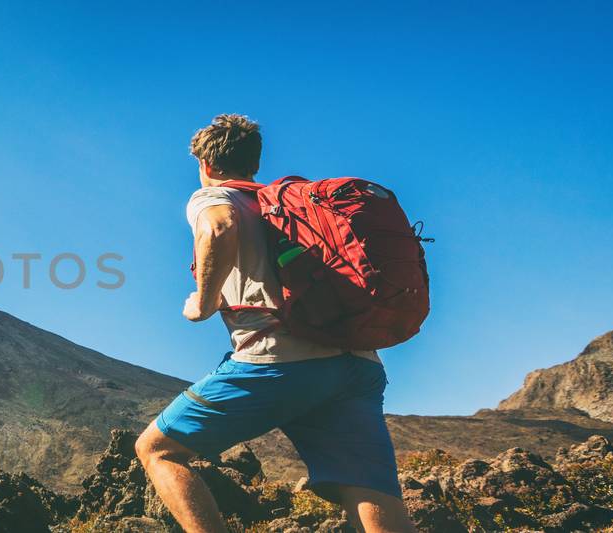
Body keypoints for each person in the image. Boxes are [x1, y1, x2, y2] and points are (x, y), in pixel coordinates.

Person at [134, 114, 418, 532]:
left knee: (158, 450)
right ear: (254, 162)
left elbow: (219, 227)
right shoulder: (288, 206)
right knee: (368, 488)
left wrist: (204, 303)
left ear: (207, 165)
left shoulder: (214, 196)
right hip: (358, 364)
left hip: (280, 359)